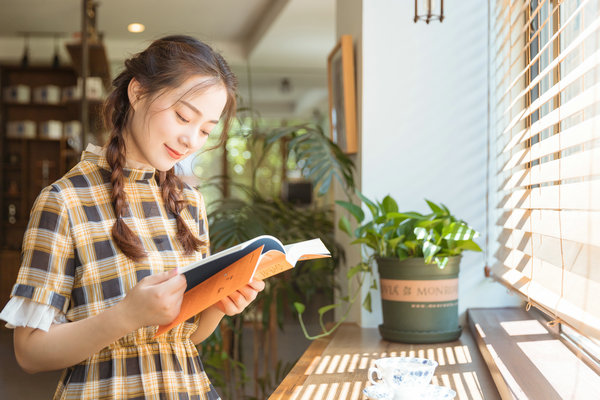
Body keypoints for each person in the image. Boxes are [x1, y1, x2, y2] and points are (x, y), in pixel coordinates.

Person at [0, 35, 264, 399]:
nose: (191, 139)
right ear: (137, 93)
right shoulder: (64, 200)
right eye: (183, 116)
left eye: (206, 130)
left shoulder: (189, 202)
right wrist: (125, 316)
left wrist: (219, 306)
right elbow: (28, 352)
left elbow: (185, 338)